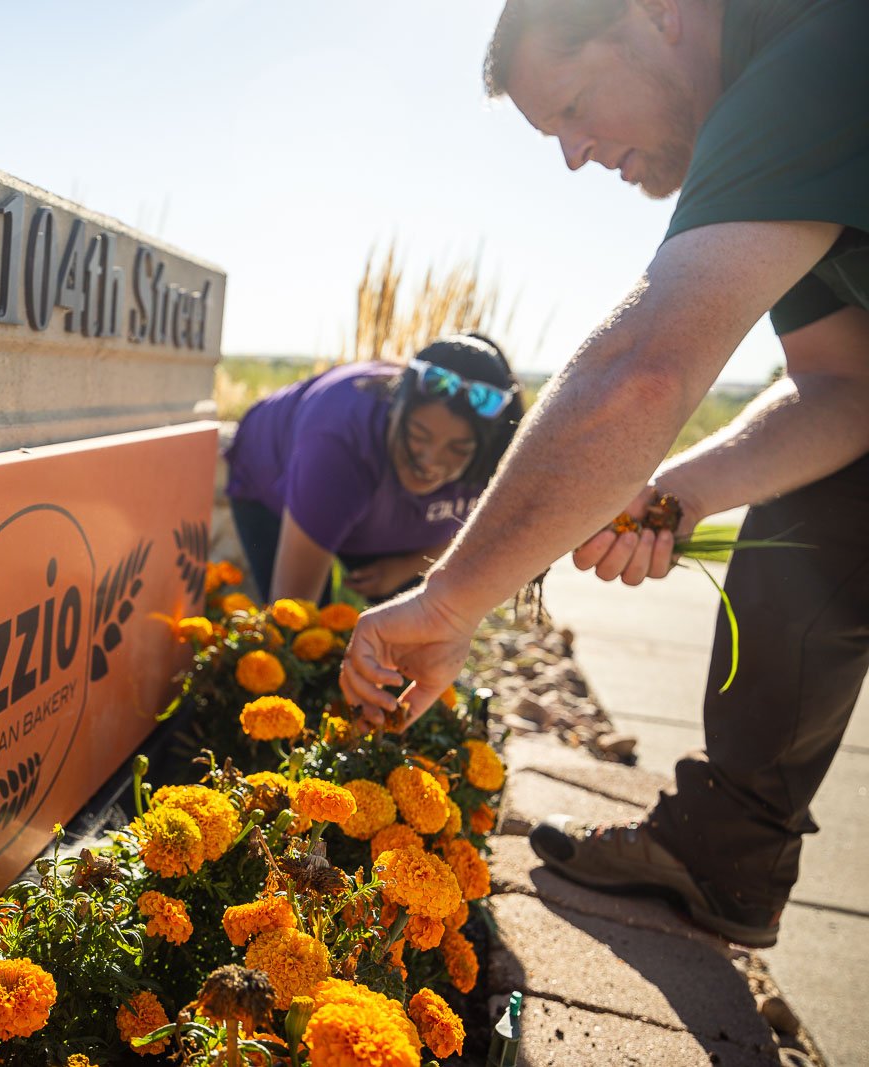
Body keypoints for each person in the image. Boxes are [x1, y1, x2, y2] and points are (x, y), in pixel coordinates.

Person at [339, 0, 869, 949]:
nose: (576, 156)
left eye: (577, 106)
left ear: (660, 14)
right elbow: (846, 386)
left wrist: (451, 603)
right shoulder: (788, 161)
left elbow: (641, 370)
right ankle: (726, 852)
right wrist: (678, 490)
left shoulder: (816, 53)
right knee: (817, 510)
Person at [225, 335, 524, 605]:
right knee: (306, 637)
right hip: (269, 470)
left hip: (374, 506)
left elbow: (484, 532)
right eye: (418, 436)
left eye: (458, 449)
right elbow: (292, 604)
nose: (431, 461)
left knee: (414, 633)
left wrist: (405, 568)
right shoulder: (337, 446)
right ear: (393, 406)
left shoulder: (498, 457)